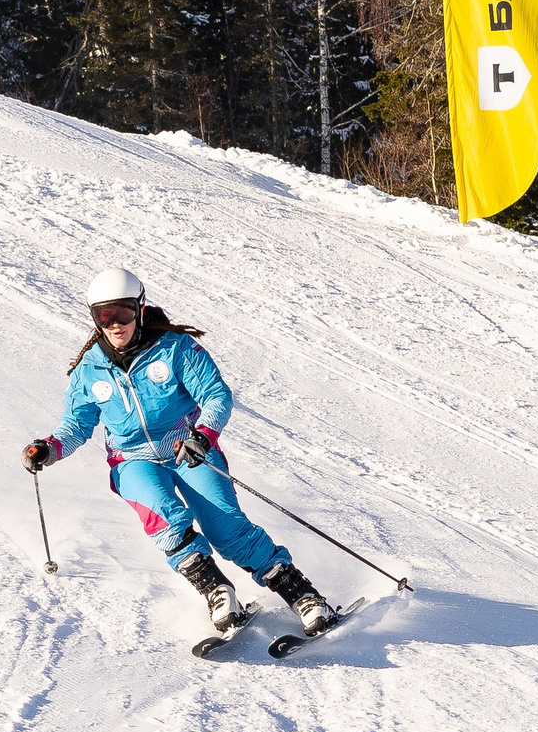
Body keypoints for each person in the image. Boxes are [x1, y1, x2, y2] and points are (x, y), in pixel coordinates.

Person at [22, 266, 337, 635]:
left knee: (227, 530)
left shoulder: (175, 349)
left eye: (123, 313)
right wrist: (49, 448)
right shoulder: (89, 369)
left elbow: (216, 395)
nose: (115, 324)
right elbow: (77, 424)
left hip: (187, 447)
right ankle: (219, 593)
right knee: (167, 522)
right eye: (103, 316)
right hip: (132, 460)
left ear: (139, 309)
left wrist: (203, 435)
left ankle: (304, 597)